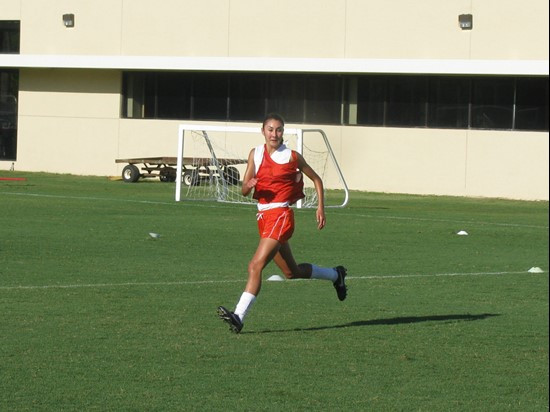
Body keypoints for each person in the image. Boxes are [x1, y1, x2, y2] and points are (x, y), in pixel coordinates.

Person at [217, 113, 347, 333]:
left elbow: (316, 179)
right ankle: (336, 275)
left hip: (281, 215)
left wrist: (320, 208)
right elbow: (245, 191)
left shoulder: (292, 157)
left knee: (254, 265)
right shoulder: (255, 154)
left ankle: (238, 315)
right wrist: (249, 184)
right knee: (291, 272)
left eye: (278, 130)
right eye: (270, 129)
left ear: (283, 132)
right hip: (263, 217)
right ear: (263, 131)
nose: (274, 134)